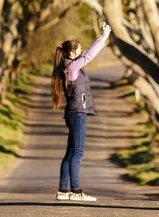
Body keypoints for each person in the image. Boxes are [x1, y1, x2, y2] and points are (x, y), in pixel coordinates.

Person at [51, 21, 112, 202]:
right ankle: (76, 192)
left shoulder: (69, 65)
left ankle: (63, 190)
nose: (81, 52)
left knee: (70, 153)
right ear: (71, 53)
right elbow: (89, 56)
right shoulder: (72, 67)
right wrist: (103, 38)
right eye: (78, 50)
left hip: (74, 113)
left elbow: (86, 55)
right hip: (78, 114)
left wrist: (101, 36)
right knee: (77, 153)